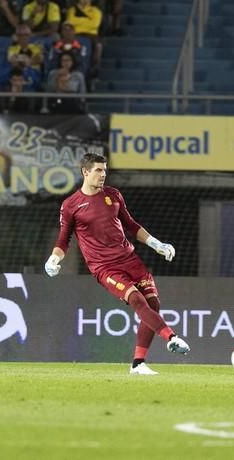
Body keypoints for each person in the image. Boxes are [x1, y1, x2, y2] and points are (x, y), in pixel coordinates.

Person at [44, 153, 190, 375]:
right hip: (105, 267)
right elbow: (63, 240)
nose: (103, 175)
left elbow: (130, 224)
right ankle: (171, 338)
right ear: (85, 172)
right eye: (98, 170)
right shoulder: (71, 205)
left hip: (130, 259)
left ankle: (138, 364)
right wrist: (54, 259)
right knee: (137, 300)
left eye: (105, 170)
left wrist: (156, 244)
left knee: (153, 304)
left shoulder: (113, 195)